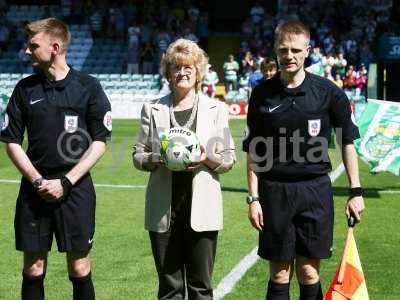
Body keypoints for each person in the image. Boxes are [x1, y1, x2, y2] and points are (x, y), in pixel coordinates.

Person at [243, 21, 365, 300]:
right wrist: (253, 198)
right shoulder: (262, 93)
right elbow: (253, 150)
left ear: (307, 51)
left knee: (310, 272)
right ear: (275, 50)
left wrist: (355, 191)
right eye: (283, 49)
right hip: (274, 191)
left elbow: (347, 141)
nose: (289, 55)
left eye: (296, 50)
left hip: (315, 191)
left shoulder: (328, 92)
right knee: (279, 273)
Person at [0, 18, 112, 300]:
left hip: (75, 189)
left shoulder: (88, 87)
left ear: (55, 47)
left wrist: (66, 181)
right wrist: (38, 180)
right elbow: (11, 140)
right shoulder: (24, 89)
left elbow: (100, 142)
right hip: (34, 190)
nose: (26, 51)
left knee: (79, 266)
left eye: (33, 45)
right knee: (33, 267)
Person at [133, 38, 235, 300]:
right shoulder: (152, 108)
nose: (183, 72)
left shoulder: (216, 109)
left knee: (201, 287)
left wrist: (206, 158)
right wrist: (155, 159)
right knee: (169, 287)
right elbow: (138, 155)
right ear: (168, 73)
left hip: (202, 208)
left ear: (199, 71)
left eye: (189, 67)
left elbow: (228, 158)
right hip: (163, 209)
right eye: (176, 67)